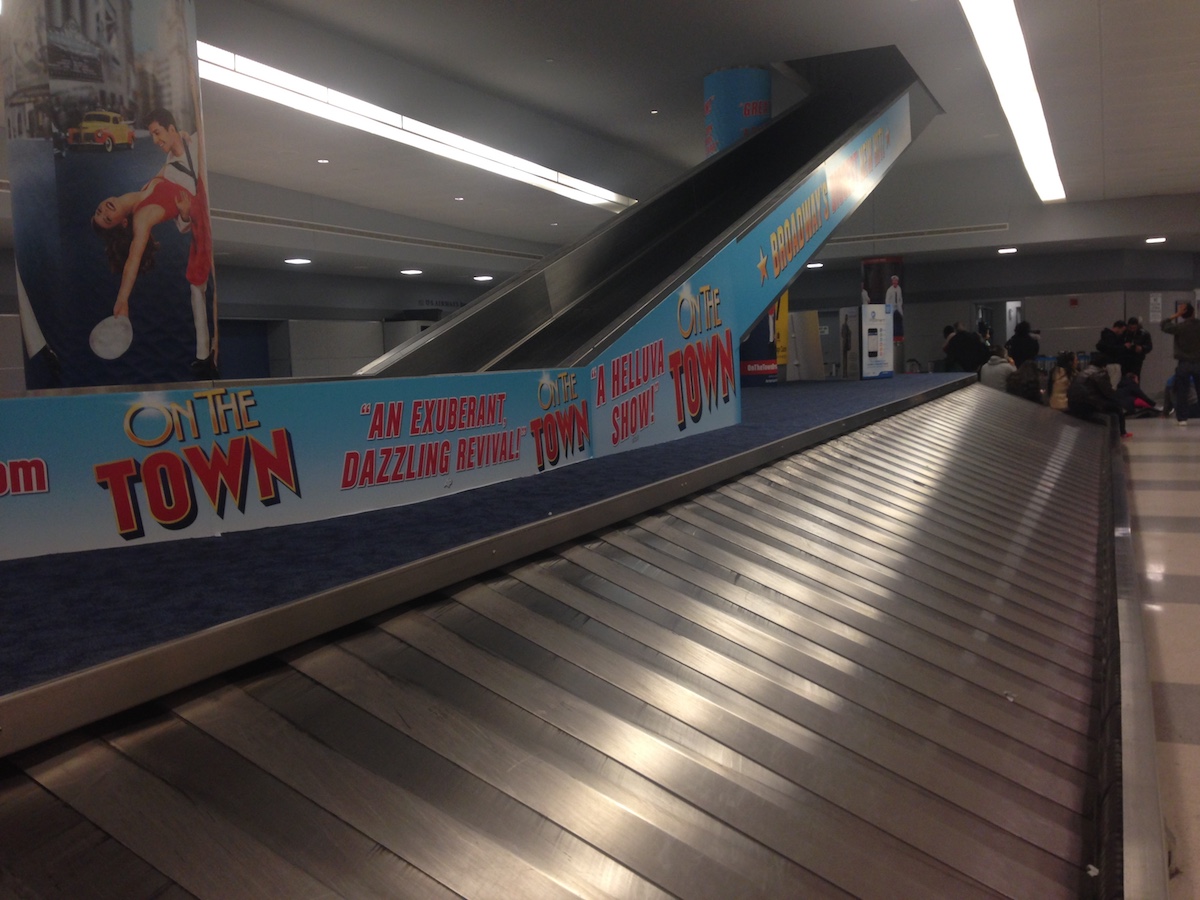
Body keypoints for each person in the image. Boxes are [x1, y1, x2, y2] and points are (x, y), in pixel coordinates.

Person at [145, 107, 217, 378]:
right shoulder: (167, 175)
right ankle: (203, 354)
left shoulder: (197, 142)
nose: (155, 140)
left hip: (210, 222)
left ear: (172, 128)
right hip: (200, 229)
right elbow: (181, 224)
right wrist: (185, 214)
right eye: (152, 134)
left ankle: (206, 353)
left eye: (157, 132)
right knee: (196, 288)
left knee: (200, 288)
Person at [1067, 351, 1128, 435]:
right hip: (1087, 404)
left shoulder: (1083, 372)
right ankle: (1122, 432)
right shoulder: (1100, 373)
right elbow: (1108, 393)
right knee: (1117, 407)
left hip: (1073, 403)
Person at [1161, 302, 1200, 425]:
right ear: (1193, 312)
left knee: (1182, 391)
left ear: (1183, 315)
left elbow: (1163, 325)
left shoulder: (1180, 327)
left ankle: (1182, 418)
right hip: (1198, 362)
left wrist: (1176, 315)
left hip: (1183, 363)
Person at [885, 275, 903, 340]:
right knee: (892, 321)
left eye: (896, 281)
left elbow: (900, 298)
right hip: (892, 308)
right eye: (894, 280)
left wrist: (900, 304)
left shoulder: (899, 289)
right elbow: (887, 301)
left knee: (900, 319)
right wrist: (889, 310)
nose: (895, 282)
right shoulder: (889, 290)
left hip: (898, 307)